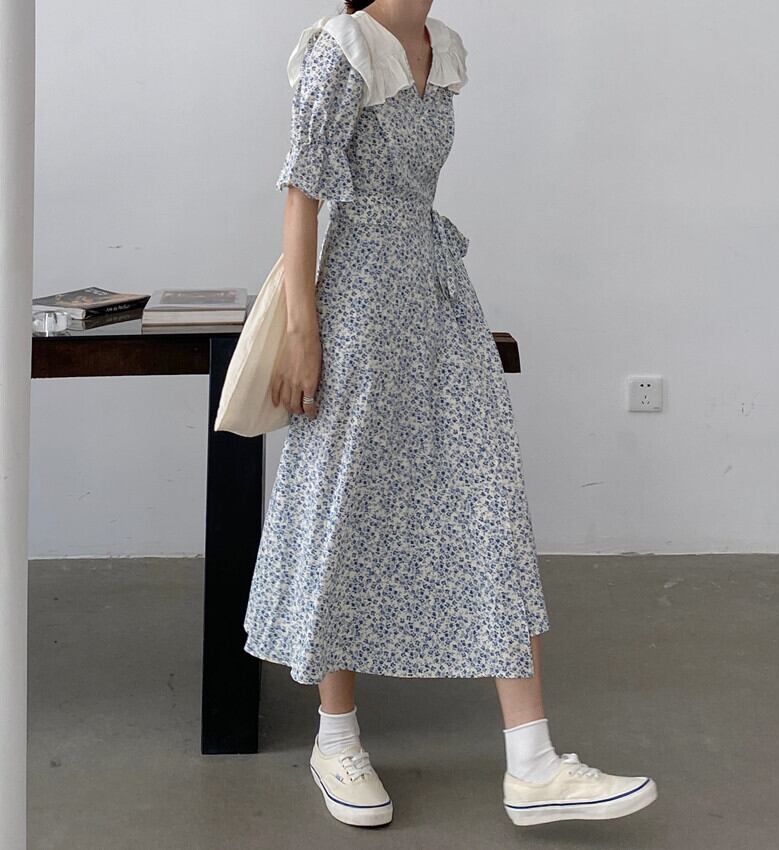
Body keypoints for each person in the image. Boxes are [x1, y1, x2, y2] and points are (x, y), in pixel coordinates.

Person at [242, 0, 658, 829]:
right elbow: (302, 191)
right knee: (345, 503)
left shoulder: (442, 49)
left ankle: (533, 763)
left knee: (490, 501)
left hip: (436, 296)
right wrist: (302, 330)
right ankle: (335, 738)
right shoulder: (341, 48)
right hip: (358, 301)